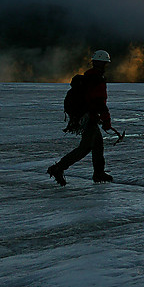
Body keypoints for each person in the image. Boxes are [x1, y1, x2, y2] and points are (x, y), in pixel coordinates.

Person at [48, 50, 114, 186]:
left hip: (85, 115)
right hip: (89, 117)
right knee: (85, 147)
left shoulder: (89, 77)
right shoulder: (97, 79)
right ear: (102, 63)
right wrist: (106, 120)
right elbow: (99, 102)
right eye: (105, 63)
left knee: (98, 145)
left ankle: (99, 173)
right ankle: (58, 168)